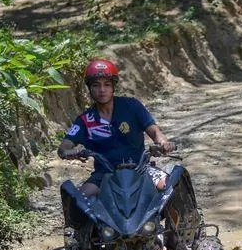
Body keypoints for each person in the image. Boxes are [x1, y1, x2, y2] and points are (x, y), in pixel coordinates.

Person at [57, 59, 175, 198]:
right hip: (104, 175)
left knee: (169, 187)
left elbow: (155, 132)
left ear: (113, 86)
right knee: (79, 201)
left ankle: (184, 218)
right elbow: (63, 147)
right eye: (96, 85)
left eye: (107, 84)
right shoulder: (85, 120)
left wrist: (163, 143)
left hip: (141, 169)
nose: (102, 90)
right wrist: (72, 152)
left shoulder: (132, 106)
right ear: (89, 88)